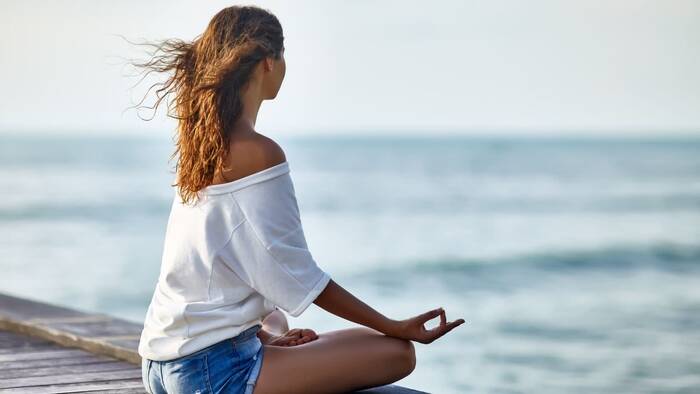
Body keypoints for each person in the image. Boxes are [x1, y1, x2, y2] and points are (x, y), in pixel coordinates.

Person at [133, 5, 465, 394]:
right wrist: (393, 325)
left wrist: (267, 338)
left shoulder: (201, 148)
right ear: (268, 63)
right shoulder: (259, 153)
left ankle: (264, 340)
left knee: (275, 320)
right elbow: (299, 275)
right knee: (398, 353)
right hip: (210, 374)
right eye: (283, 54)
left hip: (160, 363)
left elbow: (235, 272)